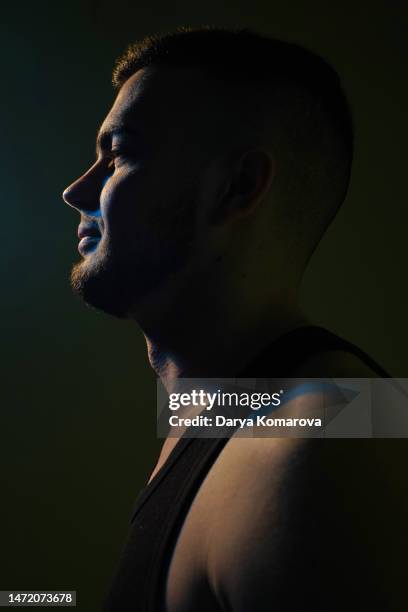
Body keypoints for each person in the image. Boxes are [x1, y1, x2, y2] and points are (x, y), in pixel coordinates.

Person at [63, 27, 401, 612]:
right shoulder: (224, 410)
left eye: (119, 153)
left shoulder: (318, 445)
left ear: (238, 187)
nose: (77, 190)